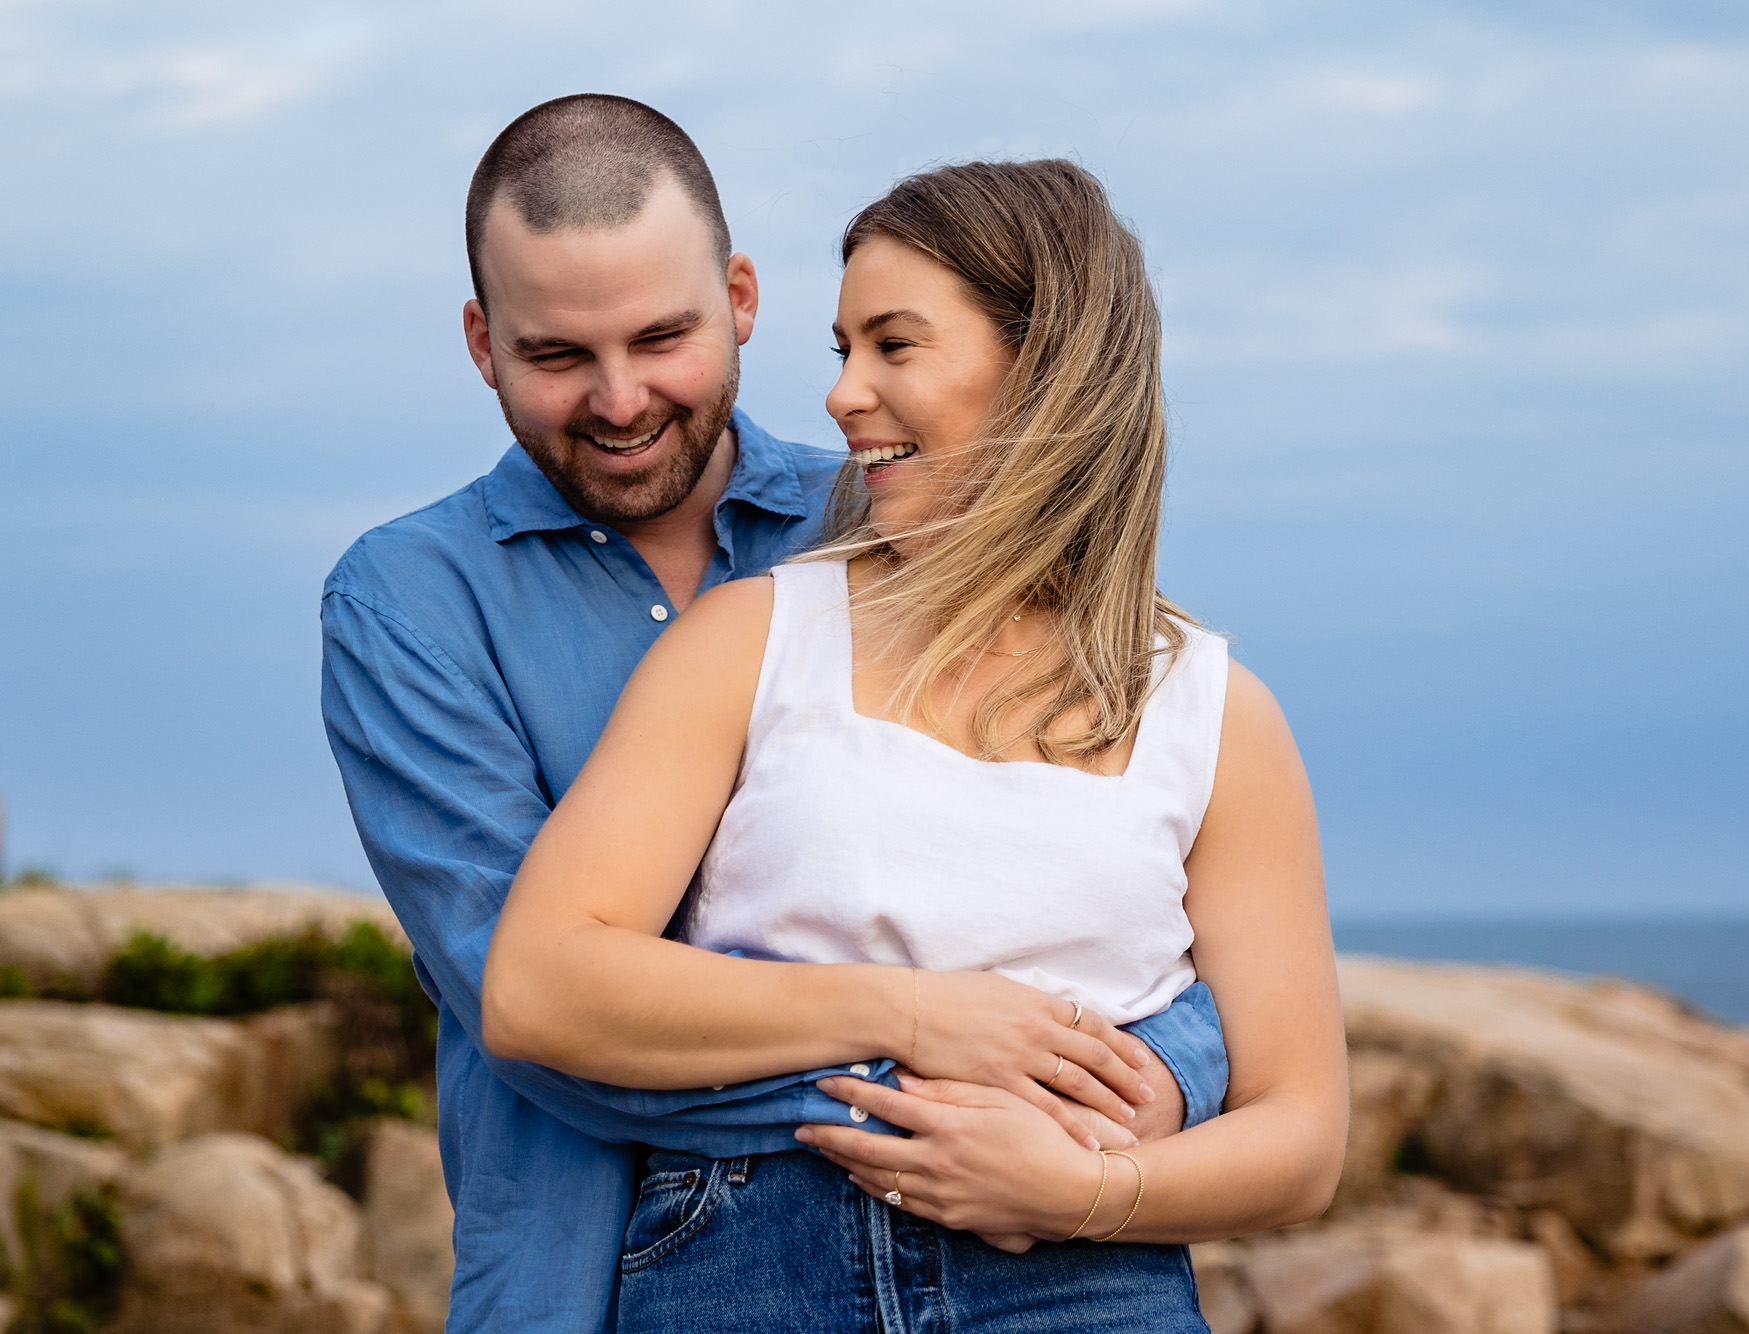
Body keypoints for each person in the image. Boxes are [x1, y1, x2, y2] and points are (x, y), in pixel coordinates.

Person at [321, 95, 1232, 1334]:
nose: (620, 396)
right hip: (570, 1277)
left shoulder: (903, 514)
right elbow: (534, 1013)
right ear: (482, 342)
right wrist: (934, 1058)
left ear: (741, 298)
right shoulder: (406, 602)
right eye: (554, 357)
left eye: (663, 336)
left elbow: (1112, 887)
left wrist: (1133, 1092)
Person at [483, 159, 1348, 1331]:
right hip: (749, 1267)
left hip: (1081, 1288)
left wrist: (1085, 1188)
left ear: (1044, 367)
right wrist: (912, 1013)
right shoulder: (752, 638)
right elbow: (542, 984)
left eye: (892, 346)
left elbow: (1301, 1134)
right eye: (842, 350)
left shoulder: (1210, 710)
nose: (842, 395)